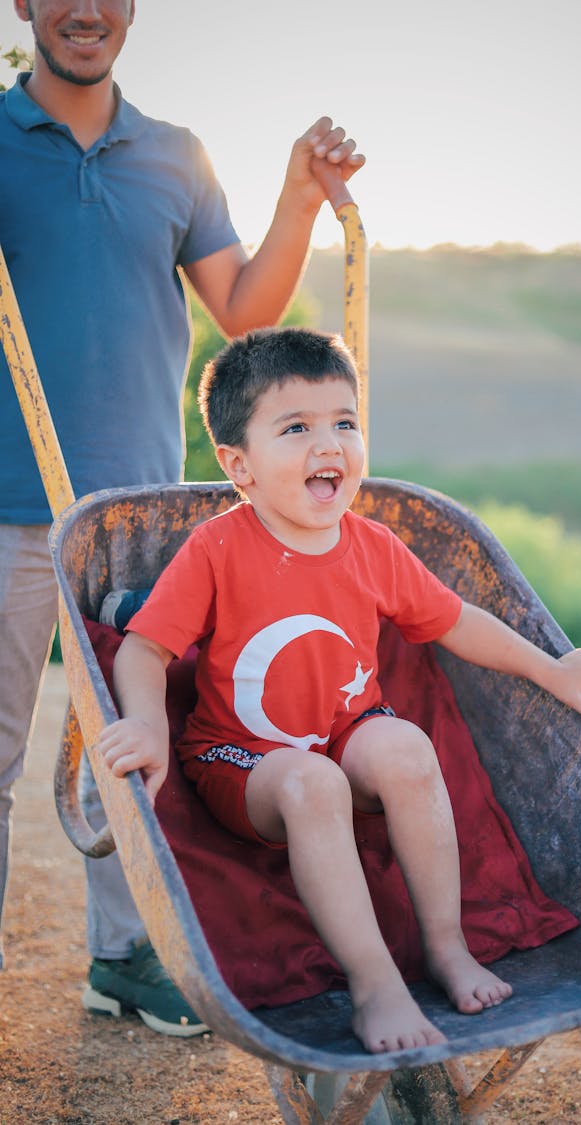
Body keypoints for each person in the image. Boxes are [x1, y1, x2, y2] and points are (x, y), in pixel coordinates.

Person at [96, 327, 581, 1054]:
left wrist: (551, 668)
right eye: (297, 427)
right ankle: (376, 981)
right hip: (245, 759)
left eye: (345, 421)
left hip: (346, 728)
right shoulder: (218, 547)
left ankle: (445, 943)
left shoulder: (372, 545)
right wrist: (149, 723)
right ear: (238, 465)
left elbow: (456, 621)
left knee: (405, 746)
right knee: (313, 783)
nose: (329, 444)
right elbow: (147, 649)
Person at [0, 0, 364, 1036]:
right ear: (21, 3)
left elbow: (245, 313)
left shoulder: (175, 155)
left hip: (136, 521)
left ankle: (126, 961)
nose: (85, 9)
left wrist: (298, 195)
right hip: (7, 506)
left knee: (132, 752)